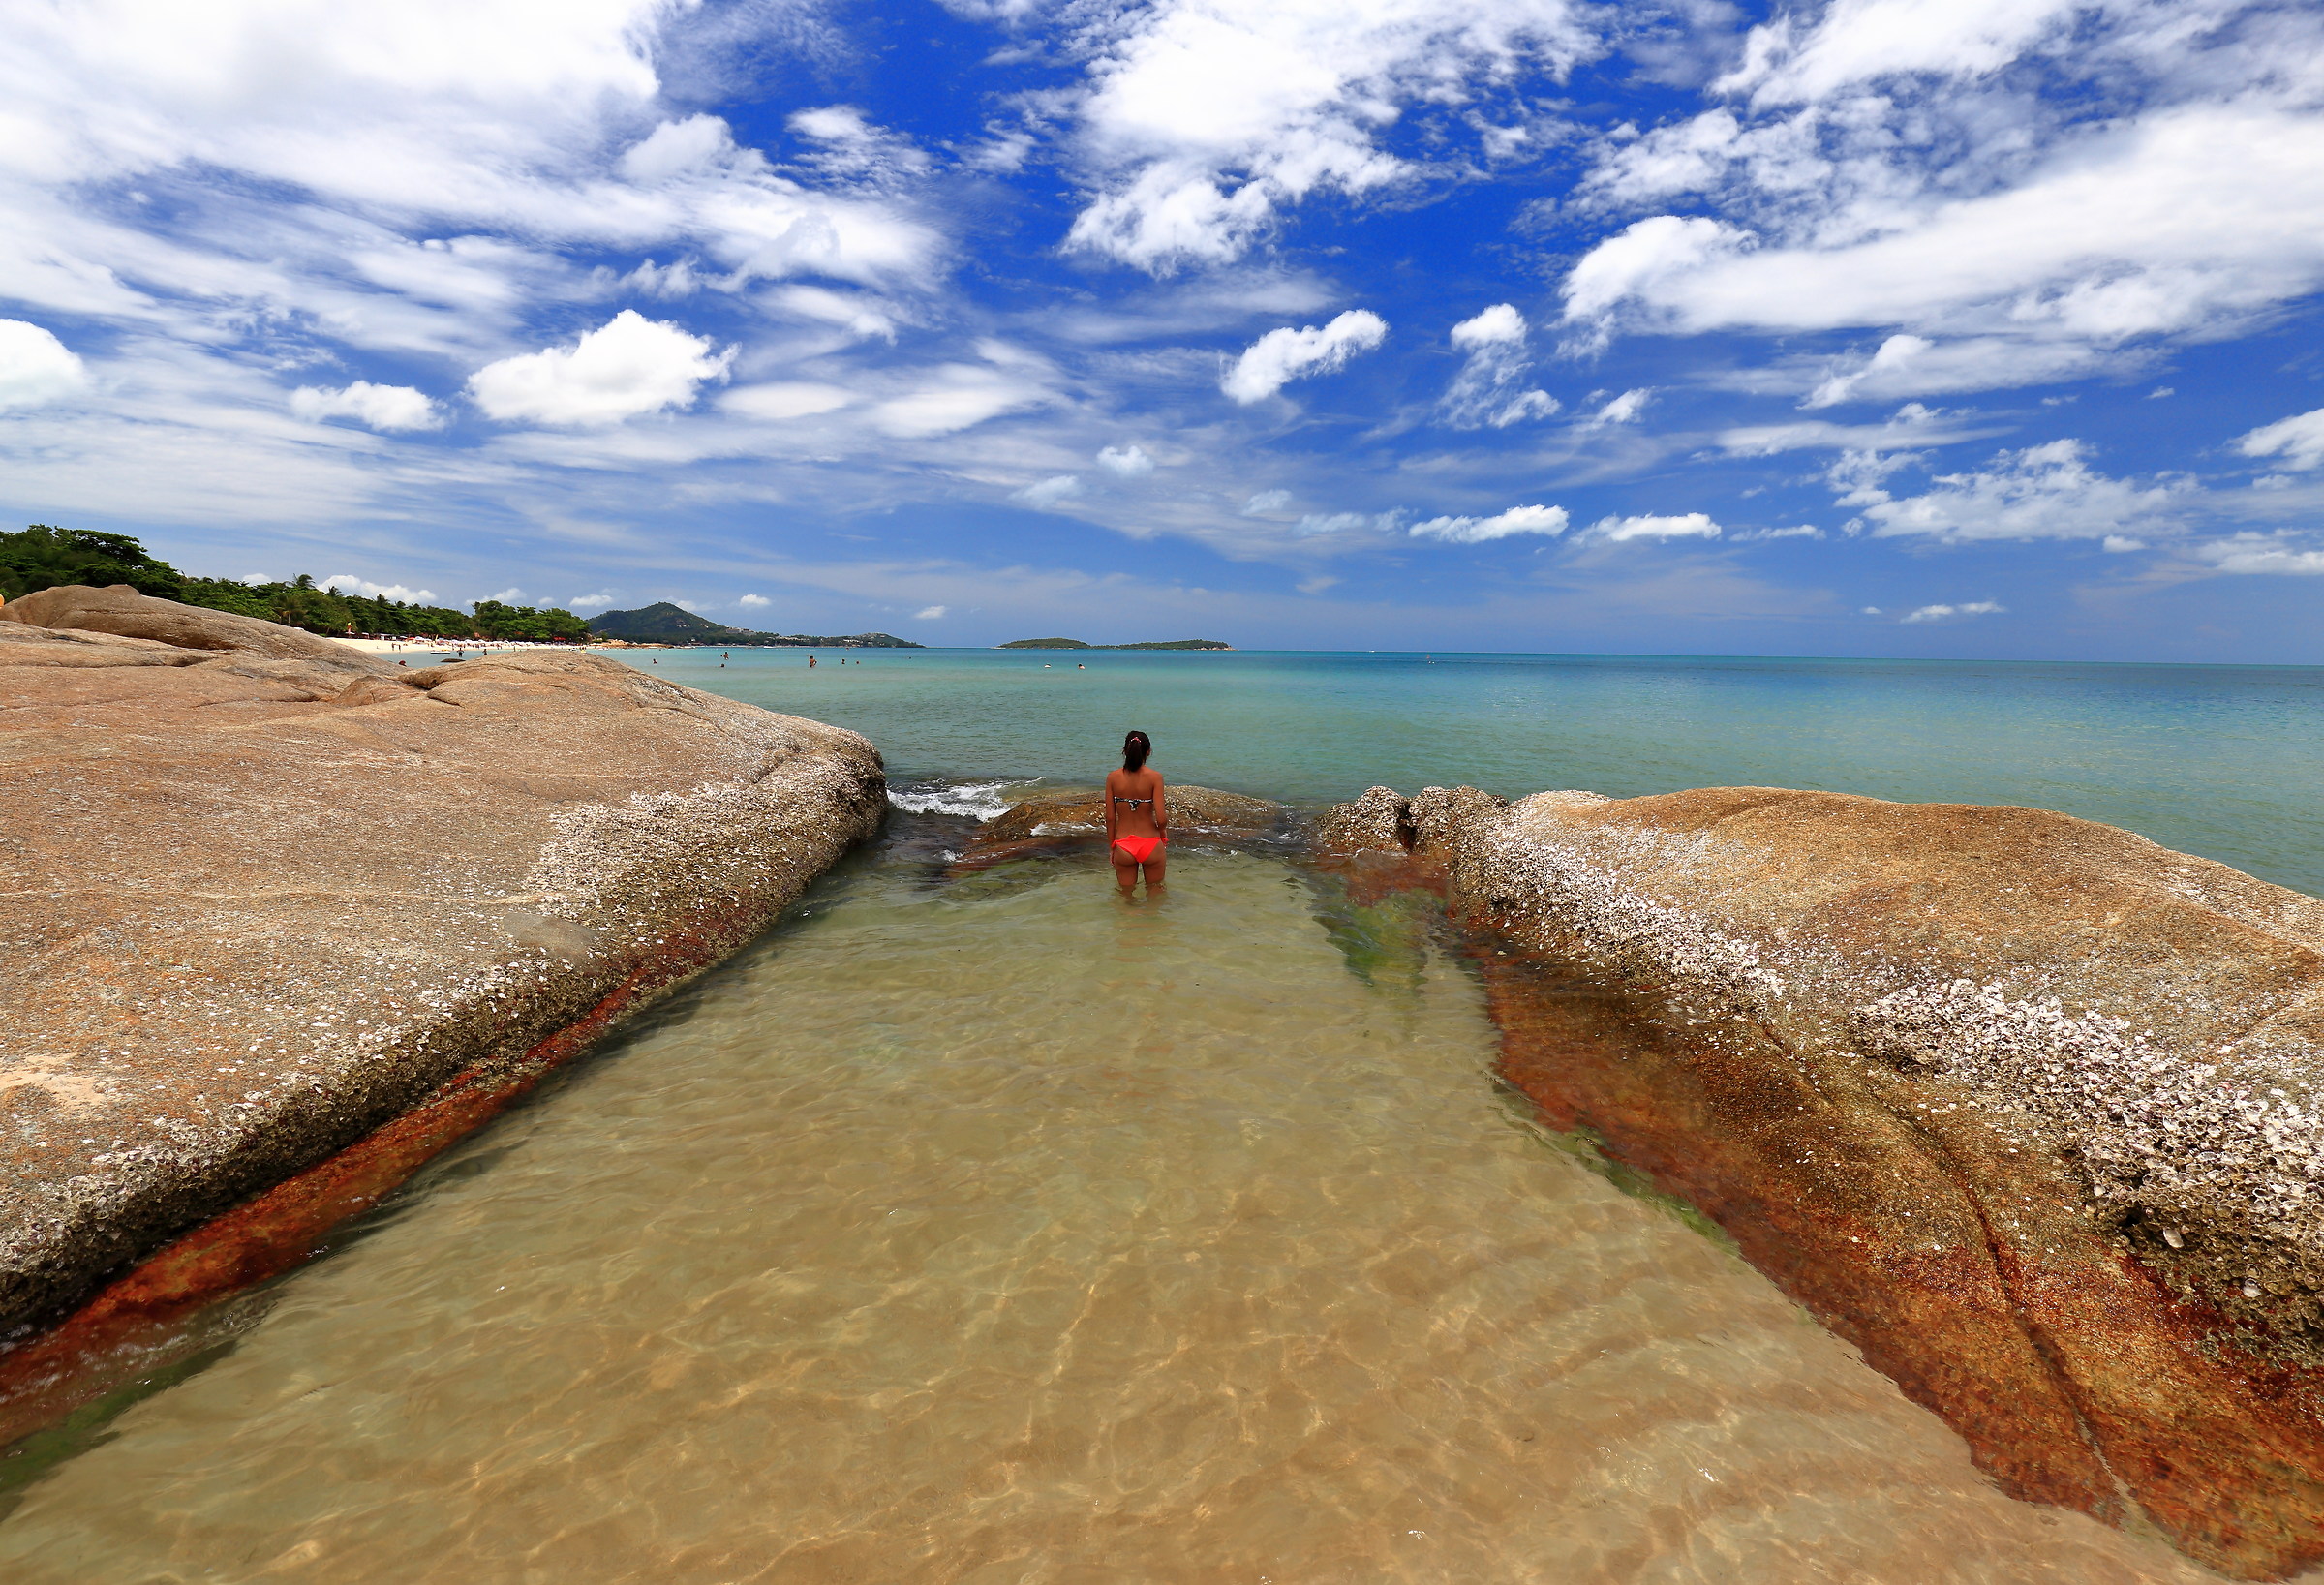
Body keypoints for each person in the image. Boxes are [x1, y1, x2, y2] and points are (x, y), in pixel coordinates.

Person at [1105, 729, 1166, 893]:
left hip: (1123, 845)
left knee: (1126, 897)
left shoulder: (1112, 778)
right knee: (1156, 894)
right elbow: (1161, 818)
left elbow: (1110, 818)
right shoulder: (1155, 777)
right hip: (1151, 843)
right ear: (1148, 752)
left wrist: (1112, 846)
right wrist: (1163, 835)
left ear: (1124, 751)